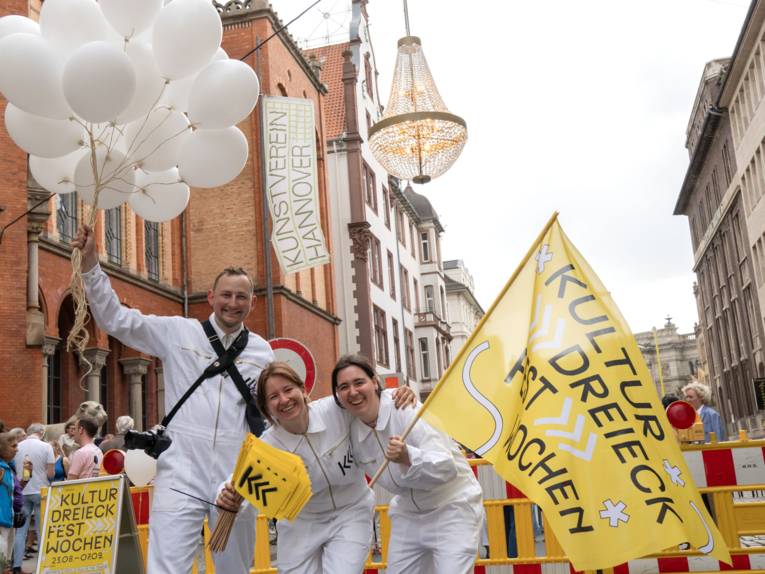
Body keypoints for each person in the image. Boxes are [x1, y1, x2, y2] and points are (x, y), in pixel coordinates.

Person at [73, 223, 274, 574]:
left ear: (252, 303)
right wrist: (91, 265)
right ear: (211, 297)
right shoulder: (179, 331)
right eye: (226, 295)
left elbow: (271, 418)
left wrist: (250, 477)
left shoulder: (263, 352)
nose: (233, 303)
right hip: (180, 472)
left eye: (241, 297)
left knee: (235, 569)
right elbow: (117, 319)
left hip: (234, 479)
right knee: (165, 568)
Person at [217, 362, 415, 574]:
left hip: (350, 512)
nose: (284, 400)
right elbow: (236, 481)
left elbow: (366, 400)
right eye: (273, 397)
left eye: (288, 389)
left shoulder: (335, 410)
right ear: (266, 408)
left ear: (302, 390)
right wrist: (224, 495)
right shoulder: (267, 447)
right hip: (300, 524)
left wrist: (398, 393)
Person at [331, 354, 484, 574]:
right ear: (337, 394)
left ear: (374, 382)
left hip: (452, 507)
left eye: (359, 382)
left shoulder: (405, 407)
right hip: (408, 514)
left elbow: (446, 466)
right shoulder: (348, 426)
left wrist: (408, 456)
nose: (352, 392)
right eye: (344, 386)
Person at [12, 424, 53, 574]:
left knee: (21, 531)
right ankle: (43, 567)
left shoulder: (18, 446)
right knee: (42, 530)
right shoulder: (46, 447)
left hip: (22, 490)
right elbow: (50, 474)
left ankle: (16, 565)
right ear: (41, 433)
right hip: (41, 490)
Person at [0, 432, 18, 572]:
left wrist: (25, 480)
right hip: (1, 521)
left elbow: (13, 491)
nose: (17, 449)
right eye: (13, 446)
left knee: (5, 561)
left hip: (9, 520)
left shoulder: (9, 467)